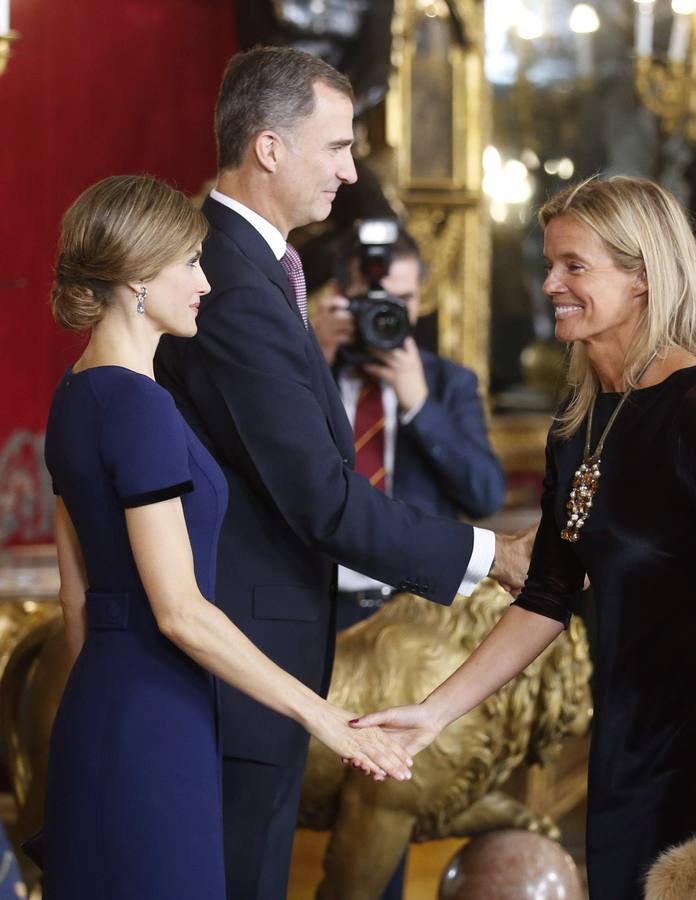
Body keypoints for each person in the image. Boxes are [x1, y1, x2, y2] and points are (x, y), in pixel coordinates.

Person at [355, 175, 696, 899]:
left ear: (642, 279)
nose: (551, 285)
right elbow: (548, 593)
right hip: (627, 733)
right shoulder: (580, 414)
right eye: (548, 265)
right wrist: (434, 713)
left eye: (574, 266)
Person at [153, 48, 531, 899]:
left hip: (265, 657)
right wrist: (492, 555)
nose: (351, 170)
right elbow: (322, 499)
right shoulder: (233, 284)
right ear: (271, 149)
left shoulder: (258, 270)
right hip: (237, 664)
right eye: (337, 148)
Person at [42, 175, 411, 900]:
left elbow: (75, 595)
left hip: (101, 710)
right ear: (138, 277)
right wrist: (324, 717)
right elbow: (179, 611)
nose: (205, 282)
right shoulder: (141, 407)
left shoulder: (75, 390)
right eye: (189, 263)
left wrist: (111, 717)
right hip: (159, 717)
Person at [307, 227, 507, 630]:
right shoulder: (306, 373)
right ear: (339, 298)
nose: (388, 313)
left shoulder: (449, 383)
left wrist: (419, 405)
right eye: (374, 301)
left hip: (416, 615)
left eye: (403, 301)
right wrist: (314, 355)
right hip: (315, 602)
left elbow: (485, 495)